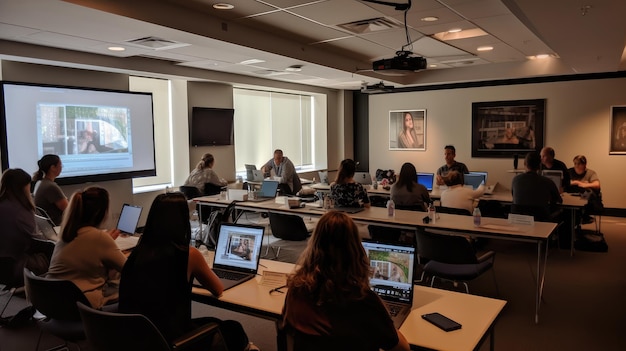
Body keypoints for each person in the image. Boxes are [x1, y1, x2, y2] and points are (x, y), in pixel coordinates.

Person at [119, 193, 257, 351]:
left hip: (137, 337)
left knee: (213, 321)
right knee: (234, 329)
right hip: (170, 340)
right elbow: (217, 289)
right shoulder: (189, 254)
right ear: (182, 221)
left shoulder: (136, 253)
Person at [280, 211, 410, 351]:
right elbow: (402, 348)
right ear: (356, 250)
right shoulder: (362, 300)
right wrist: (386, 319)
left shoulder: (296, 287)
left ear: (314, 244)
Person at [47, 187, 126, 309]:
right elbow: (129, 269)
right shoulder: (98, 238)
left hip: (52, 301)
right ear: (99, 213)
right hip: (81, 305)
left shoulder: (66, 233)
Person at [0, 169, 52, 282]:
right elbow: (37, 239)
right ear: (23, 187)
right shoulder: (21, 211)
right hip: (14, 265)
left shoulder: (3, 204)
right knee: (53, 250)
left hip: (4, 263)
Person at [511, 152, 562, 221]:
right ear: (539, 165)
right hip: (540, 220)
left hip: (518, 220)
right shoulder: (547, 181)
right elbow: (559, 200)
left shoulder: (515, 179)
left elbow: (513, 195)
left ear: (525, 164)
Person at [32, 154, 68, 225]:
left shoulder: (40, 182)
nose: (61, 167)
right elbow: (68, 209)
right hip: (57, 225)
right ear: (52, 167)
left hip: (47, 226)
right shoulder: (50, 187)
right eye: (60, 165)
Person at [567, 155, 602, 224]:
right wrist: (576, 182)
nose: (576, 166)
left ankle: (581, 216)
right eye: (575, 164)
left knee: (589, 191)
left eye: (579, 164)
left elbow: (597, 184)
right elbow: (564, 182)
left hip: (585, 198)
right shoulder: (569, 171)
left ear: (584, 165)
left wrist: (585, 185)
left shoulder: (590, 173)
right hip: (571, 197)